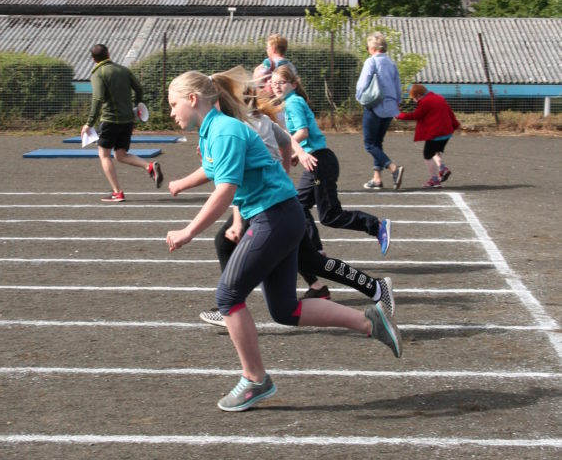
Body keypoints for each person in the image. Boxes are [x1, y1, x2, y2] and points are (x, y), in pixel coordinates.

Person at [165, 71, 402, 412]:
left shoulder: (225, 130)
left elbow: (225, 189)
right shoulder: (212, 131)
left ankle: (255, 380)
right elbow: (216, 170)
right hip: (278, 216)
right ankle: (371, 321)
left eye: (174, 104)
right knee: (285, 311)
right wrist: (181, 184)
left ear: (192, 100)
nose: (172, 112)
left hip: (274, 217)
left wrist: (188, 231)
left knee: (228, 296)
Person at [197, 68, 394, 326]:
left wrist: (236, 219)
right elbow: (284, 143)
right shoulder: (246, 122)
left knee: (224, 242)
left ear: (218, 101)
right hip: (276, 204)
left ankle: (229, 308)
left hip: (269, 207)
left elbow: (235, 180)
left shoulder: (238, 127)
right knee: (311, 261)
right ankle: (373, 287)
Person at [271, 64, 392, 255]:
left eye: (281, 82)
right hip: (316, 161)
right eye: (273, 83)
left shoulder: (293, 103)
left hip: (320, 163)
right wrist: (297, 153)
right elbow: (303, 136)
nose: (276, 86)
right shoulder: (292, 102)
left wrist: (289, 147)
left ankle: (376, 226)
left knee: (330, 215)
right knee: (298, 205)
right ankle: (315, 249)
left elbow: (303, 132)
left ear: (293, 84)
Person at [81, 43, 163, 202]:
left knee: (104, 155)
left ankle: (117, 192)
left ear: (93, 59)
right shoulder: (123, 70)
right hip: (127, 120)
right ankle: (149, 166)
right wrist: (137, 105)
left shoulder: (98, 73)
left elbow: (97, 99)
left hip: (110, 120)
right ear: (109, 53)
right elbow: (139, 88)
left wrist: (89, 122)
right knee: (121, 154)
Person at [356, 32, 404, 190]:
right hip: (390, 108)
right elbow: (398, 87)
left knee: (369, 144)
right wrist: (398, 103)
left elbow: (363, 83)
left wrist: (359, 97)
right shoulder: (392, 63)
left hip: (375, 105)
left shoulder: (371, 62)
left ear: (372, 47)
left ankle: (393, 168)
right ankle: (377, 179)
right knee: (378, 143)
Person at [397, 83, 461, 187]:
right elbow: (450, 113)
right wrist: (456, 125)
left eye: (413, 98)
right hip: (446, 133)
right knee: (435, 151)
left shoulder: (425, 102)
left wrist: (399, 115)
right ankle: (442, 168)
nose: (414, 101)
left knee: (427, 155)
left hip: (436, 133)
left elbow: (415, 115)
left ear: (418, 95)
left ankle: (435, 180)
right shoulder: (439, 97)